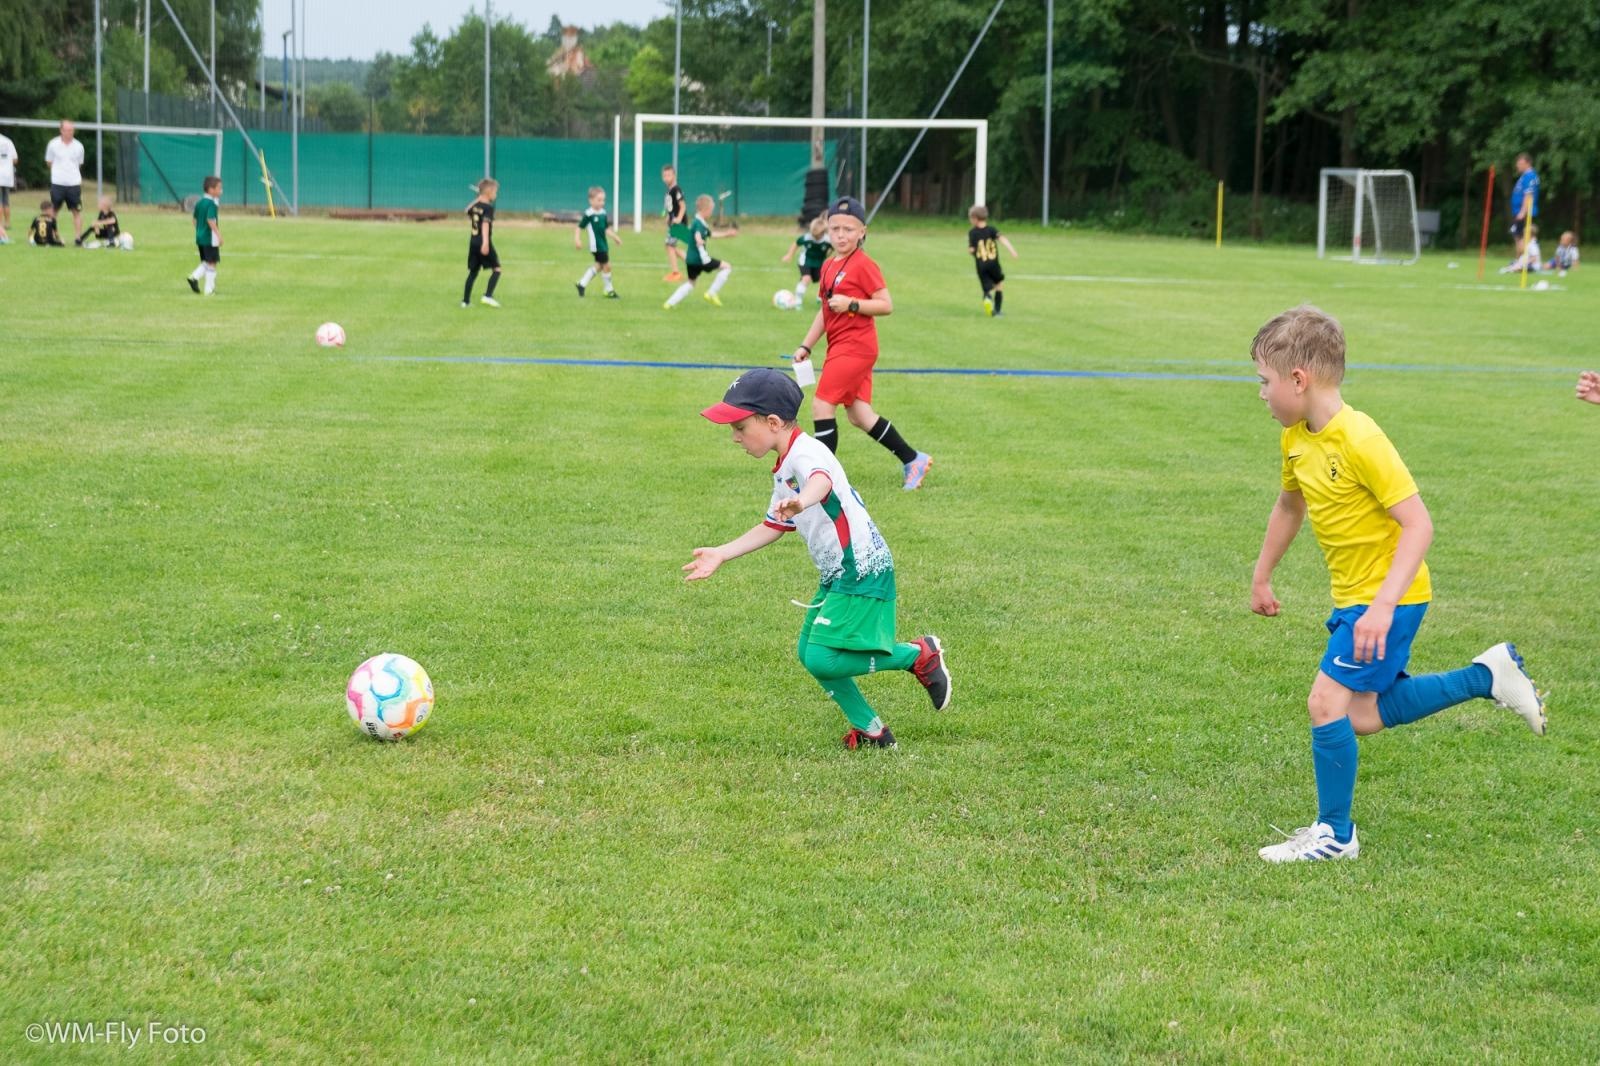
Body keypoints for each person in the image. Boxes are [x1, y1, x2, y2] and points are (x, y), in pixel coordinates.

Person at [1248, 305, 1546, 863]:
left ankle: (1335, 835)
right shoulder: (1294, 439)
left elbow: (1419, 523)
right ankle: (1487, 676)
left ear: (1298, 379)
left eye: (1264, 381)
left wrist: (1382, 607)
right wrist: (1263, 575)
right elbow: (1290, 507)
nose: (1260, 393)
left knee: (1324, 702)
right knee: (1359, 715)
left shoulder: (1361, 438)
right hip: (1359, 599)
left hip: (1388, 597)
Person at [685, 368, 952, 749]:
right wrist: (721, 554)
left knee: (824, 658)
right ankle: (873, 731)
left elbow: (821, 479)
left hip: (860, 567)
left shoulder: (807, 453)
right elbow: (773, 526)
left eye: (741, 427)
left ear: (773, 422)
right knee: (809, 653)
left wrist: (804, 500)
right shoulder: (784, 464)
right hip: (837, 571)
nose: (735, 437)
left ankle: (916, 655)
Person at [791, 196, 933, 491]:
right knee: (859, 415)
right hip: (840, 346)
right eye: (835, 228)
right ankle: (913, 459)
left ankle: (819, 478)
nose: (841, 235)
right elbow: (825, 310)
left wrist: (853, 304)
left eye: (849, 229)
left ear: (862, 232)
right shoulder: (830, 265)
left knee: (821, 405)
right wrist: (806, 346)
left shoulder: (864, 265)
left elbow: (886, 304)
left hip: (856, 347)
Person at [662, 194, 734, 310]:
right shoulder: (699, 224)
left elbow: (710, 234)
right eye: (711, 210)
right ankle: (711, 293)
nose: (711, 213)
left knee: (691, 283)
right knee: (727, 267)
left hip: (691, 259)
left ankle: (669, 303)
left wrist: (727, 234)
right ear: (706, 210)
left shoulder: (699, 222)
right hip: (701, 260)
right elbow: (697, 234)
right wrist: (699, 239)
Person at [967, 204, 1019, 317]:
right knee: (999, 285)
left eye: (971, 218)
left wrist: (974, 252)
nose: (970, 221)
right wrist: (1012, 251)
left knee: (987, 288)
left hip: (981, 265)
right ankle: (997, 310)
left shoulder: (972, 232)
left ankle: (987, 299)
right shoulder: (992, 230)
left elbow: (971, 250)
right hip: (993, 264)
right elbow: (1002, 239)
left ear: (975, 218)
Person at [574, 185, 621, 299]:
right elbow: (579, 227)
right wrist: (577, 239)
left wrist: (615, 237)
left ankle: (582, 284)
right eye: (599, 200)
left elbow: (605, 228)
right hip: (596, 246)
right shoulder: (589, 214)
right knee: (607, 266)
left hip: (603, 244)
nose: (601, 202)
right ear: (591, 200)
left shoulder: (603, 213)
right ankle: (609, 290)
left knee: (599, 266)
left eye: (603, 200)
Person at [461, 178, 502, 308]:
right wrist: (485, 243)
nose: (496, 194)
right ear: (489, 192)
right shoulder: (488, 208)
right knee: (497, 269)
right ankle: (487, 296)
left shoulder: (476, 206)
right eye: (495, 192)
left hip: (473, 242)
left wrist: (478, 199)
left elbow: (466, 210)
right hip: (483, 242)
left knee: (473, 272)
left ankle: (465, 302)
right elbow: (485, 225)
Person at [44, 119, 85, 245]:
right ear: (61, 130)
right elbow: (49, 162)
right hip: (57, 183)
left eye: (71, 130)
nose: (69, 132)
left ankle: (78, 238)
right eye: (67, 130)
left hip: (73, 184)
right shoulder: (53, 144)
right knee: (54, 211)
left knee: (76, 211)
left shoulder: (79, 146)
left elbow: (79, 163)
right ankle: (52, 236)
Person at [779, 215, 832, 304]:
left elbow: (835, 248)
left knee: (824, 280)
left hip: (819, 263)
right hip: (805, 261)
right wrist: (789, 255)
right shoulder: (807, 238)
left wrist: (830, 256)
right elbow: (796, 243)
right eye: (813, 234)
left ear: (823, 232)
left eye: (817, 235)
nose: (814, 237)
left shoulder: (828, 240)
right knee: (806, 278)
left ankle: (820, 297)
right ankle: (798, 300)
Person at [185, 176, 222, 294]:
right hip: (210, 238)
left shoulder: (200, 202)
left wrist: (199, 231)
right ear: (211, 190)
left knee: (206, 261)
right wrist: (218, 235)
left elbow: (194, 220)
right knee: (212, 262)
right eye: (219, 188)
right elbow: (211, 220)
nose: (221, 190)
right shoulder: (211, 204)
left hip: (200, 237)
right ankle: (209, 290)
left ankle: (194, 277)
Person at [661, 164, 688, 282]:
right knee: (670, 247)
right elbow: (672, 207)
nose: (666, 177)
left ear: (674, 175)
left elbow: (682, 206)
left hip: (679, 223)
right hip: (673, 223)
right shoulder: (669, 191)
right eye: (664, 175)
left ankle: (676, 273)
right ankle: (693, 262)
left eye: (669, 175)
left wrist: (678, 219)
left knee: (669, 245)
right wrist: (668, 217)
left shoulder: (676, 189)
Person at [1509, 152, 1539, 243]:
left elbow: (1528, 194)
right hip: (1518, 211)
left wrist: (1523, 211)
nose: (1517, 166)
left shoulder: (1530, 176)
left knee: (1521, 236)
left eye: (1520, 164)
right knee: (1517, 235)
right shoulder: (1524, 176)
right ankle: (1519, 257)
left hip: (1524, 213)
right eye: (1517, 163)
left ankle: (1523, 257)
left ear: (1528, 163)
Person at [0, 128, 16, 243]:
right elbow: (15, 160)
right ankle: (7, 223)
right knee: (6, 200)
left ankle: (0, 224)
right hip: (7, 175)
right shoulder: (8, 141)